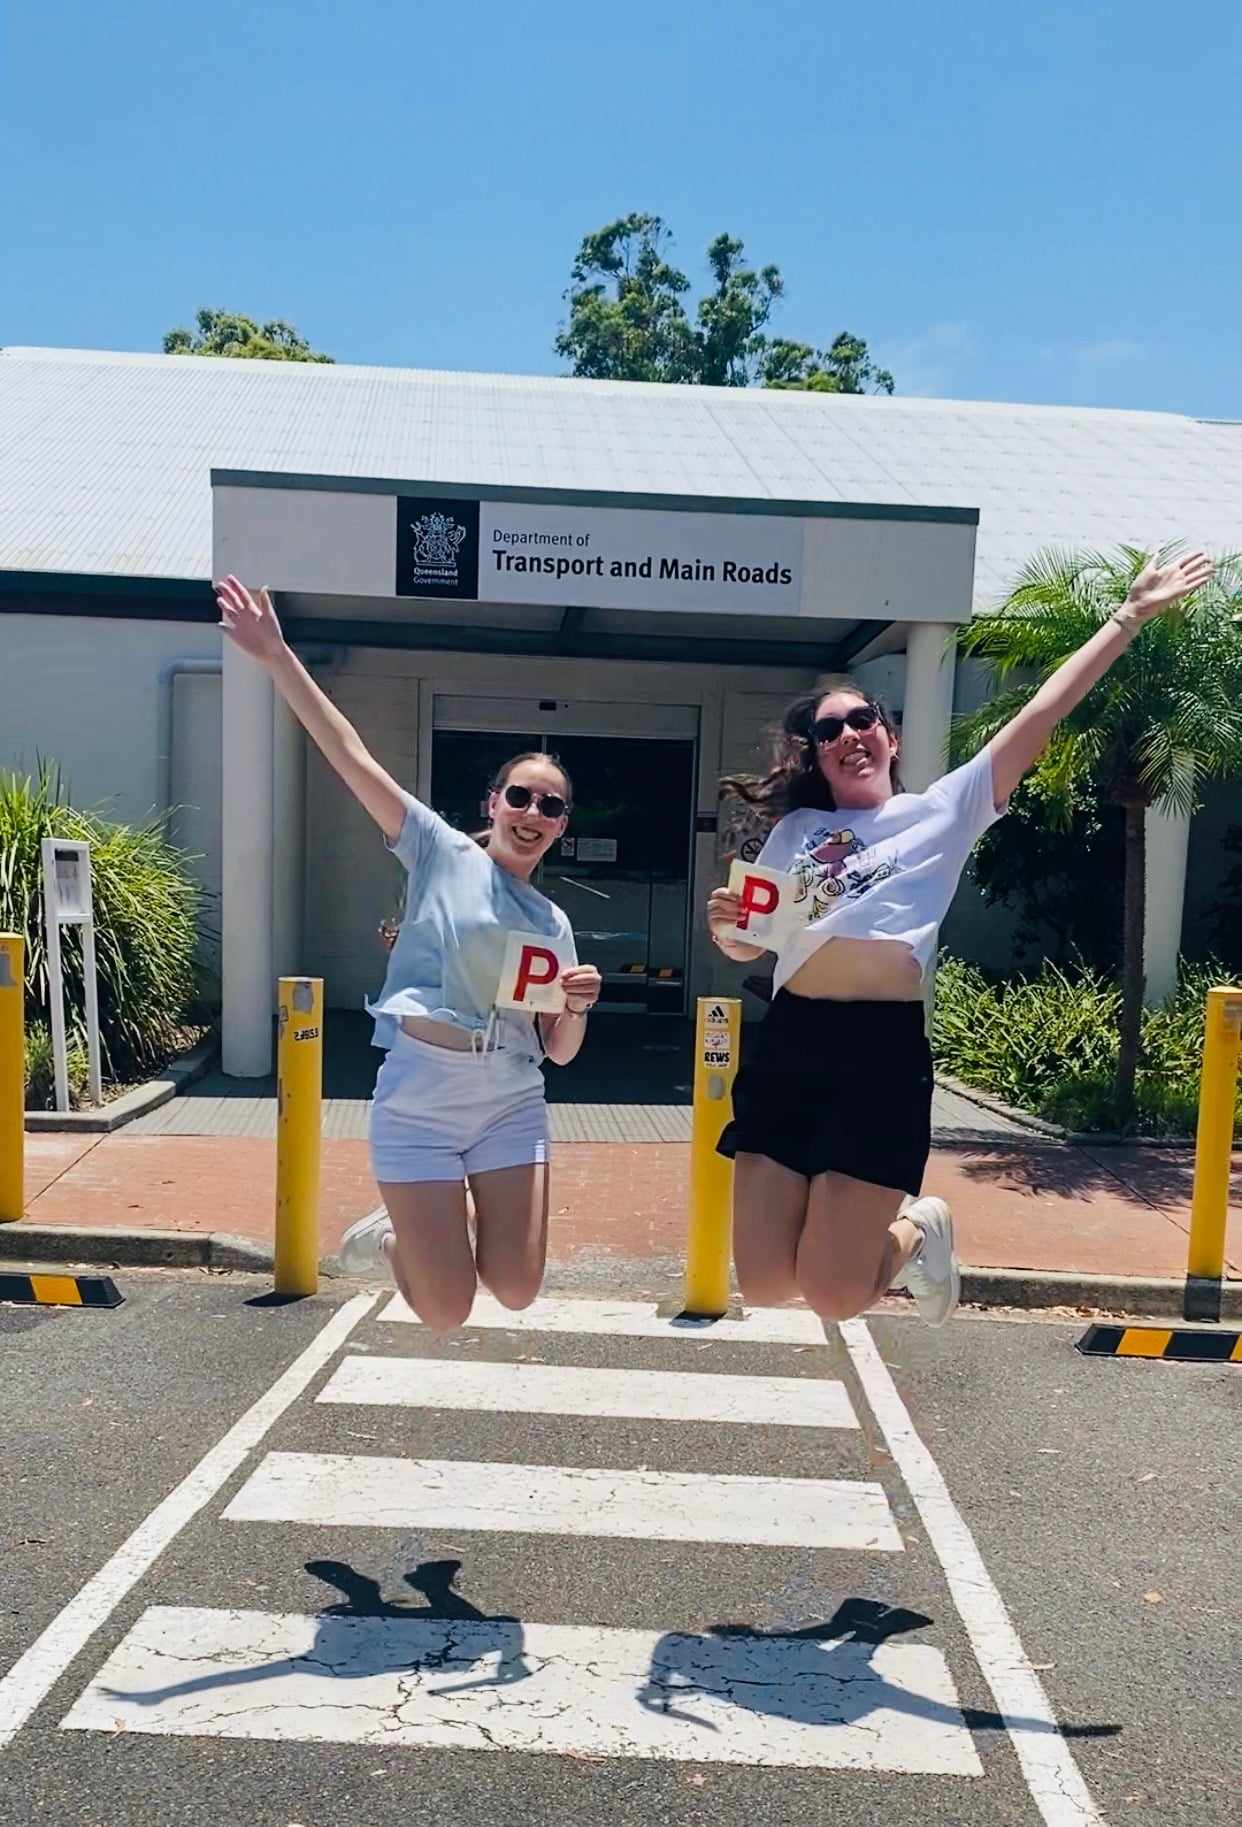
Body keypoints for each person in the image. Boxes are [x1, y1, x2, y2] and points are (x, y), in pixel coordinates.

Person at [707, 550, 1214, 1328]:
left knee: (836, 1295)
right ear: (814, 752)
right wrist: (730, 933)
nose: (849, 732)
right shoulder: (796, 832)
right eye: (829, 727)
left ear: (891, 735)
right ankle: (895, 1234)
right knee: (769, 1282)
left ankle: (919, 1228)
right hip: (791, 1044)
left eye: (863, 718)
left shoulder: (943, 811)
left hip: (880, 1053)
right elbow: (755, 941)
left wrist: (1129, 615)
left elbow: (1039, 714)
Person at [214, 576, 602, 1330]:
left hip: (508, 1100)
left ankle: (426, 1238)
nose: (532, 813)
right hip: (421, 1095)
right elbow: (347, 752)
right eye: (519, 796)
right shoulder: (436, 848)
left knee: (517, 1289)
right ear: (492, 802)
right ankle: (393, 1238)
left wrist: (579, 1005)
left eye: (550, 806)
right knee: (447, 1312)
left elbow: (559, 1051)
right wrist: (276, 656)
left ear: (561, 827)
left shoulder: (553, 922)